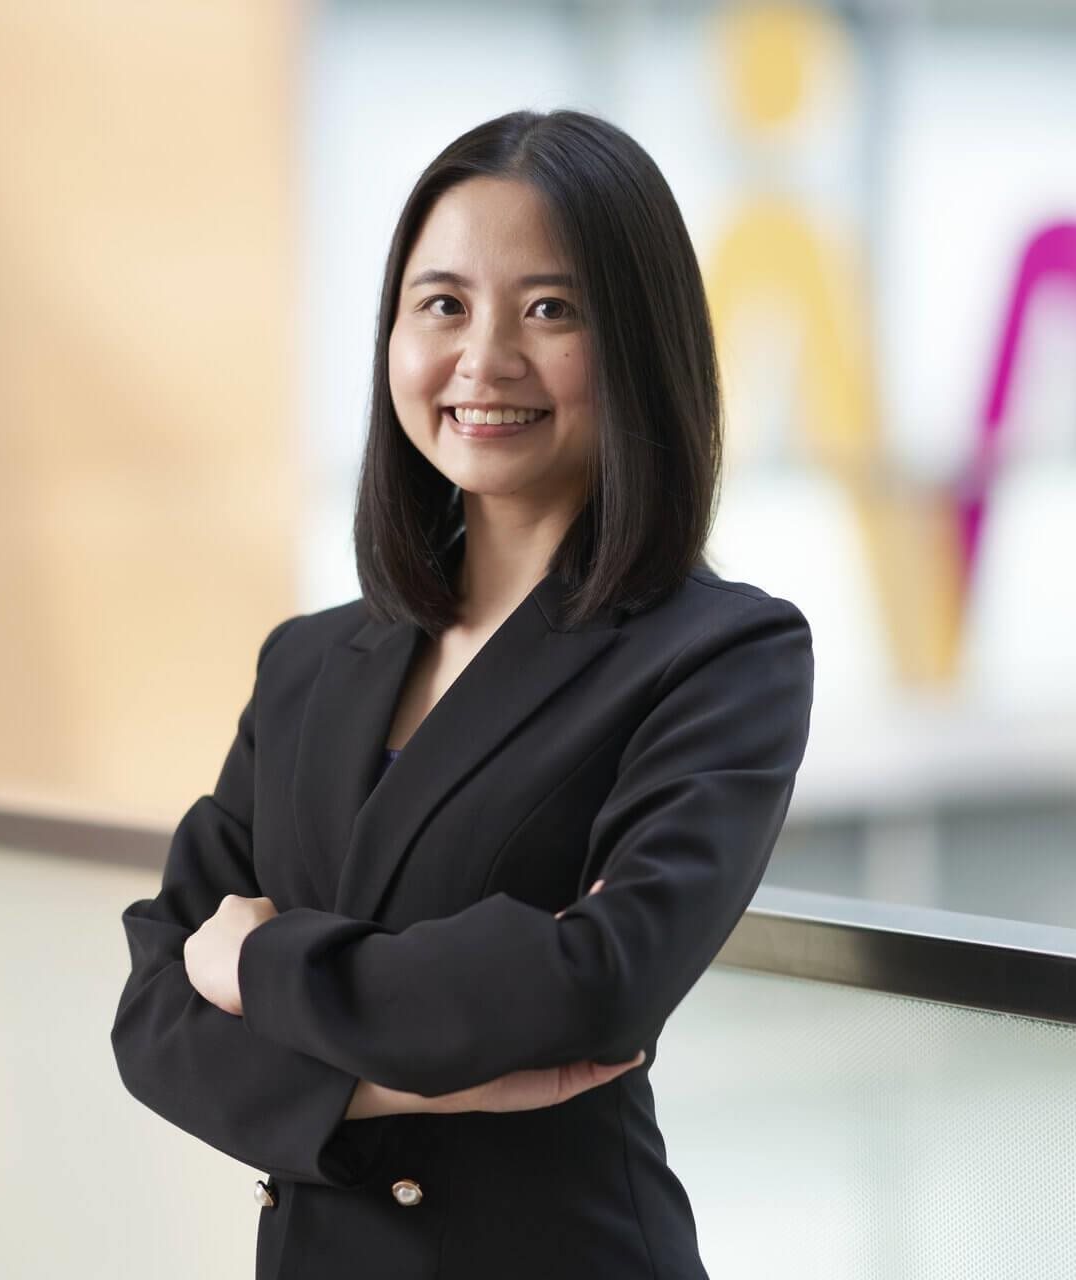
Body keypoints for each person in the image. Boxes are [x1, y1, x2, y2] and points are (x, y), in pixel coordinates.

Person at [111, 107, 815, 1280]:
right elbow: (149, 1010)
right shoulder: (305, 662)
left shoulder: (721, 654)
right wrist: (397, 1078)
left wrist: (260, 966)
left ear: (638, 341)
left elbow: (597, 981)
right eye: (443, 304)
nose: (484, 359)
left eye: (550, 309)